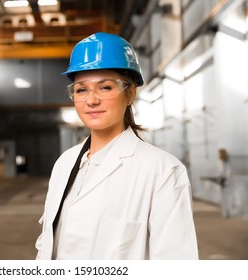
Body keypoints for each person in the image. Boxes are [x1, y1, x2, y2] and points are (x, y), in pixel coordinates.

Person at [35, 32, 198, 260]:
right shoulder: (65, 163)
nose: (91, 100)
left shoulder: (163, 171)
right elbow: (46, 245)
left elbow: (176, 264)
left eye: (105, 87)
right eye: (81, 90)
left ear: (130, 93)